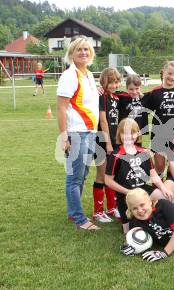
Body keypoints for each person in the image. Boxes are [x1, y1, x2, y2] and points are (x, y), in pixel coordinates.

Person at [56, 36, 100, 230]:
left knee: (82, 175)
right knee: (74, 176)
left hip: (90, 132)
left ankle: (74, 212)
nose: (83, 52)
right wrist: (64, 137)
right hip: (76, 133)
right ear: (71, 53)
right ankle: (78, 217)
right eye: (79, 49)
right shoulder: (69, 76)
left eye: (86, 49)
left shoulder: (88, 74)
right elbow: (61, 108)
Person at [105, 118, 174, 233]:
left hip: (143, 190)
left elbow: (153, 175)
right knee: (129, 232)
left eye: (132, 133)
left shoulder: (144, 152)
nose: (129, 136)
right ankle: (134, 219)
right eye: (125, 133)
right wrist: (127, 192)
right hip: (126, 195)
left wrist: (163, 188)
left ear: (137, 134)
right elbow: (108, 181)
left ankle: (163, 220)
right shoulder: (116, 156)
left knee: (166, 197)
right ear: (120, 135)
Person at [92, 68, 121, 223]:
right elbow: (102, 121)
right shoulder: (101, 97)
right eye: (110, 82)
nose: (113, 85)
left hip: (113, 141)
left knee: (111, 175)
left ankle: (111, 207)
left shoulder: (115, 98)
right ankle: (97, 211)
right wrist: (108, 143)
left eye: (116, 82)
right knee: (102, 175)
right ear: (104, 82)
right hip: (102, 141)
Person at [116, 74, 150, 145]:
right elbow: (108, 92)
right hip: (125, 135)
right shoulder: (122, 97)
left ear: (140, 87)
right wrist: (100, 89)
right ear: (126, 88)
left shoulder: (146, 97)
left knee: (138, 154)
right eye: (131, 89)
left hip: (139, 134)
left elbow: (160, 91)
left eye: (137, 88)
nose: (134, 92)